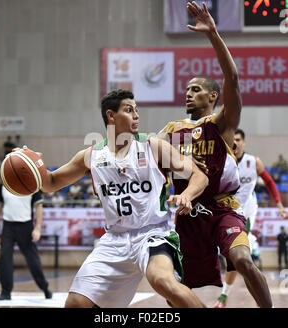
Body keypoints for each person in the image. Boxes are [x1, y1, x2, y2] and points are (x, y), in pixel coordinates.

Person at [18, 89, 209, 308]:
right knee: (75, 304)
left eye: (137, 110)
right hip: (115, 240)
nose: (136, 115)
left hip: (153, 234)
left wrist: (187, 194)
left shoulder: (153, 146)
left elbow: (199, 175)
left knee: (163, 282)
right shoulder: (91, 156)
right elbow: (50, 182)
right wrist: (29, 162)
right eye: (129, 110)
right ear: (111, 116)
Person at [158, 2, 272, 308]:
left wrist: (213, 35)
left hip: (223, 208)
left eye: (196, 89)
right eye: (187, 89)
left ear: (212, 97)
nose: (188, 92)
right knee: (177, 285)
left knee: (243, 260)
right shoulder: (171, 129)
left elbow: (232, 79)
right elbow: (143, 155)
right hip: (187, 214)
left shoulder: (220, 124)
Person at [214, 128, 288, 308]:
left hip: (246, 213)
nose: (236, 142)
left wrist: (278, 204)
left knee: (241, 258)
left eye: (239, 139)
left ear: (243, 142)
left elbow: (269, 182)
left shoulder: (253, 162)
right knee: (234, 259)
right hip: (228, 213)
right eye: (233, 139)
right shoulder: (222, 162)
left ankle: (255, 299)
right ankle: (226, 296)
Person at [0, 185, 52, 300]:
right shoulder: (4, 185)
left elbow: (39, 206)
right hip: (8, 225)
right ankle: (5, 292)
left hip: (26, 225)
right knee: (4, 258)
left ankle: (45, 288)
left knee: (32, 259)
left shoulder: (32, 183)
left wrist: (37, 228)